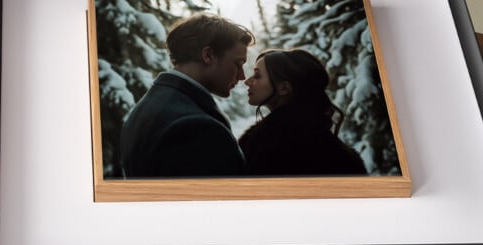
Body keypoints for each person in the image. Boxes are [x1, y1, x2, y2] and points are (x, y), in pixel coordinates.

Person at [121, 13, 254, 178]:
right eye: (238, 63)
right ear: (208, 55)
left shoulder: (146, 108)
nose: (242, 76)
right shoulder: (195, 127)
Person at [238, 48, 367, 177]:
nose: (247, 81)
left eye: (257, 75)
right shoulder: (333, 149)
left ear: (284, 88)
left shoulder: (277, 149)